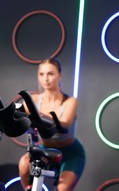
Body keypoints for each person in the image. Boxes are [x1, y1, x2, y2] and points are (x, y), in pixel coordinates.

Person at [18, 58, 85, 191]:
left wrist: (40, 116)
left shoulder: (70, 101)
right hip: (45, 151)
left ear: (59, 75)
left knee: (62, 189)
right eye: (41, 74)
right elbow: (17, 117)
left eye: (50, 74)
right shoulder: (34, 100)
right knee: (24, 164)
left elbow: (64, 125)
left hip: (70, 153)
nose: (46, 79)